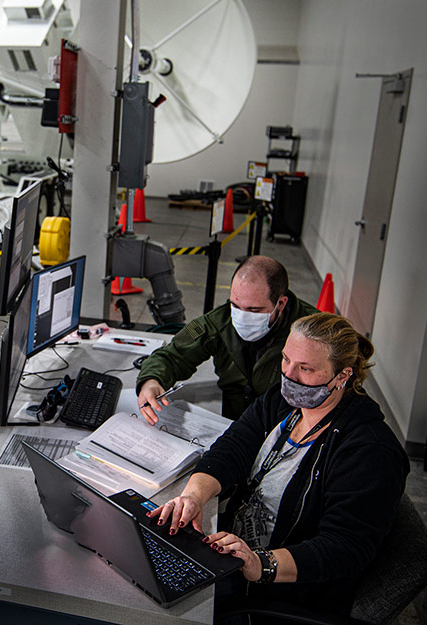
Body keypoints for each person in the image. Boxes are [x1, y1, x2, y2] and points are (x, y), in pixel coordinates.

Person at [145, 312, 410, 619]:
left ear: (342, 376)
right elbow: (232, 449)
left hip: (284, 589)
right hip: (233, 553)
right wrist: (193, 497)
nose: (289, 375)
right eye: (286, 360)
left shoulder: (370, 452)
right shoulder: (286, 403)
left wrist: (260, 564)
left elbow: (344, 548)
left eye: (306, 369)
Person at [137, 255, 318, 421]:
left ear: (280, 303)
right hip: (233, 425)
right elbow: (174, 355)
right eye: (235, 305)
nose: (241, 317)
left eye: (253, 310)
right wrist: (151, 380)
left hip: (286, 429)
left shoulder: (316, 334)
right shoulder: (219, 322)